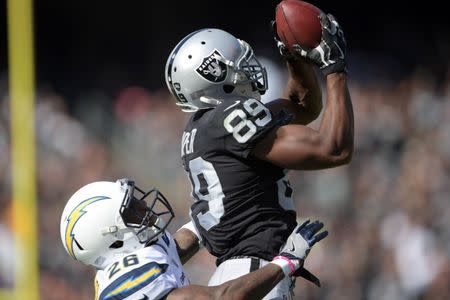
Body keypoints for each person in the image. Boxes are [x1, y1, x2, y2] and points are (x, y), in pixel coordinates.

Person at [164, 8, 353, 299]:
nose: (247, 66)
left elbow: (302, 106)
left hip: (246, 272)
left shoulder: (206, 127)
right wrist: (334, 68)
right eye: (237, 61)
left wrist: (294, 57)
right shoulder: (229, 119)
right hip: (255, 274)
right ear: (214, 73)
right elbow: (335, 149)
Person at [59, 178, 328, 299]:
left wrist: (216, 211)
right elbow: (223, 298)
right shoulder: (130, 282)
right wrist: (285, 263)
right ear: (113, 239)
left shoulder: (131, 257)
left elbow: (172, 250)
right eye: (132, 211)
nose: (144, 209)